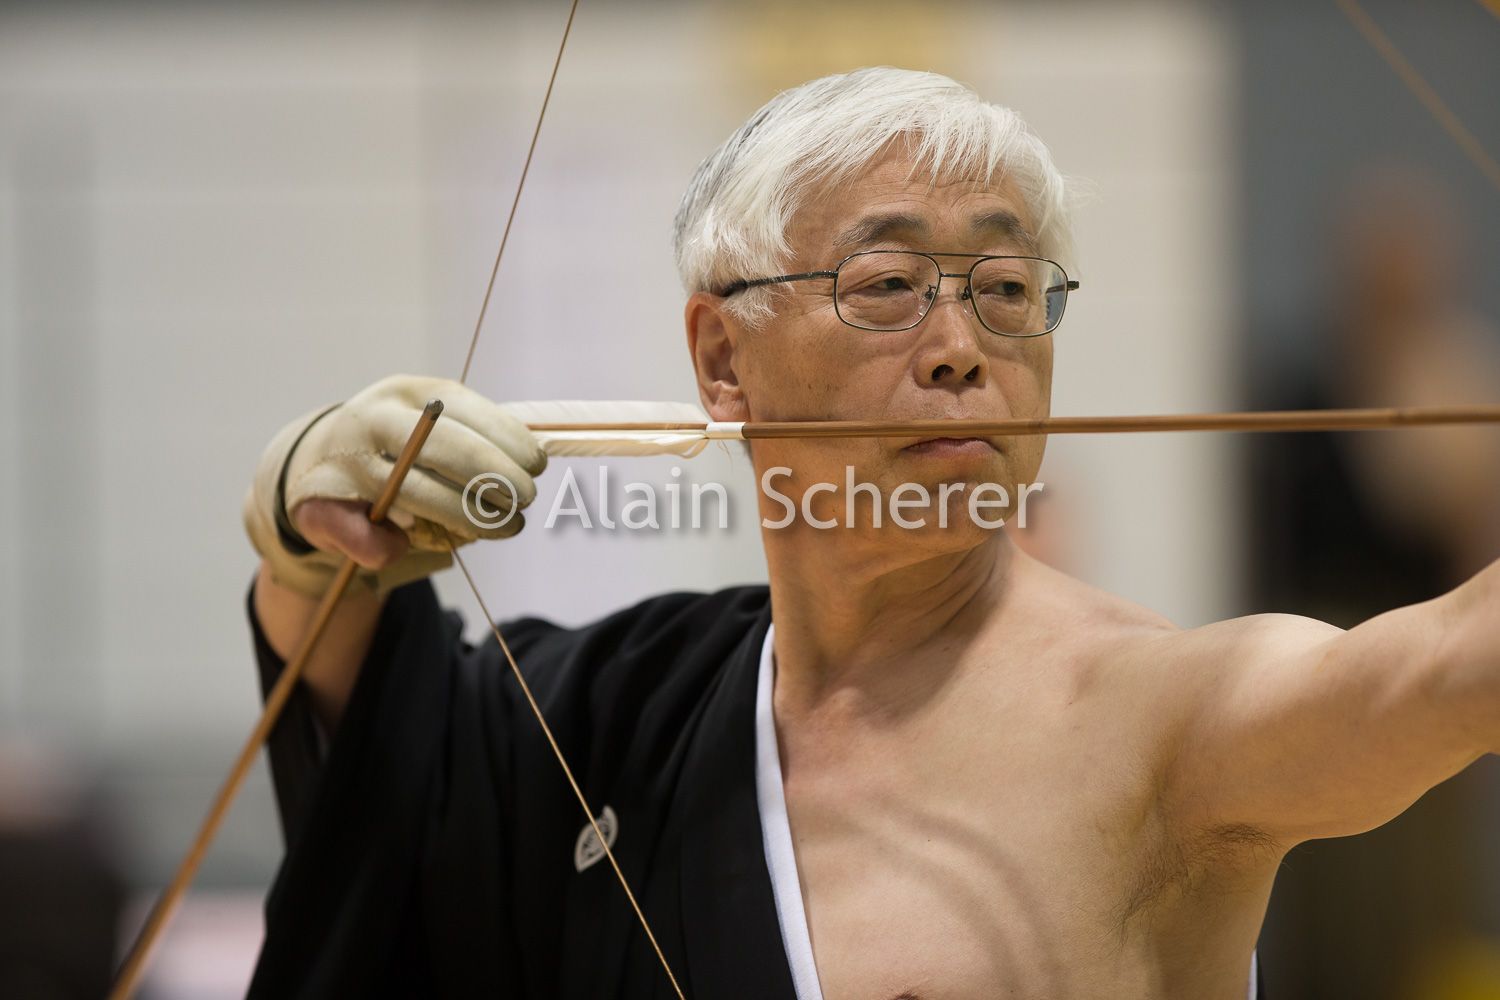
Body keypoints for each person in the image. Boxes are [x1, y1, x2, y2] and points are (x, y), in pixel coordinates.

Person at [243, 68, 1498, 999]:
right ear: (721, 357)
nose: (961, 347)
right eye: (888, 286)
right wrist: (310, 523)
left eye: (1006, 290)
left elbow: (1446, 665)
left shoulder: (1166, 716)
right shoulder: (612, 716)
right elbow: (380, 734)